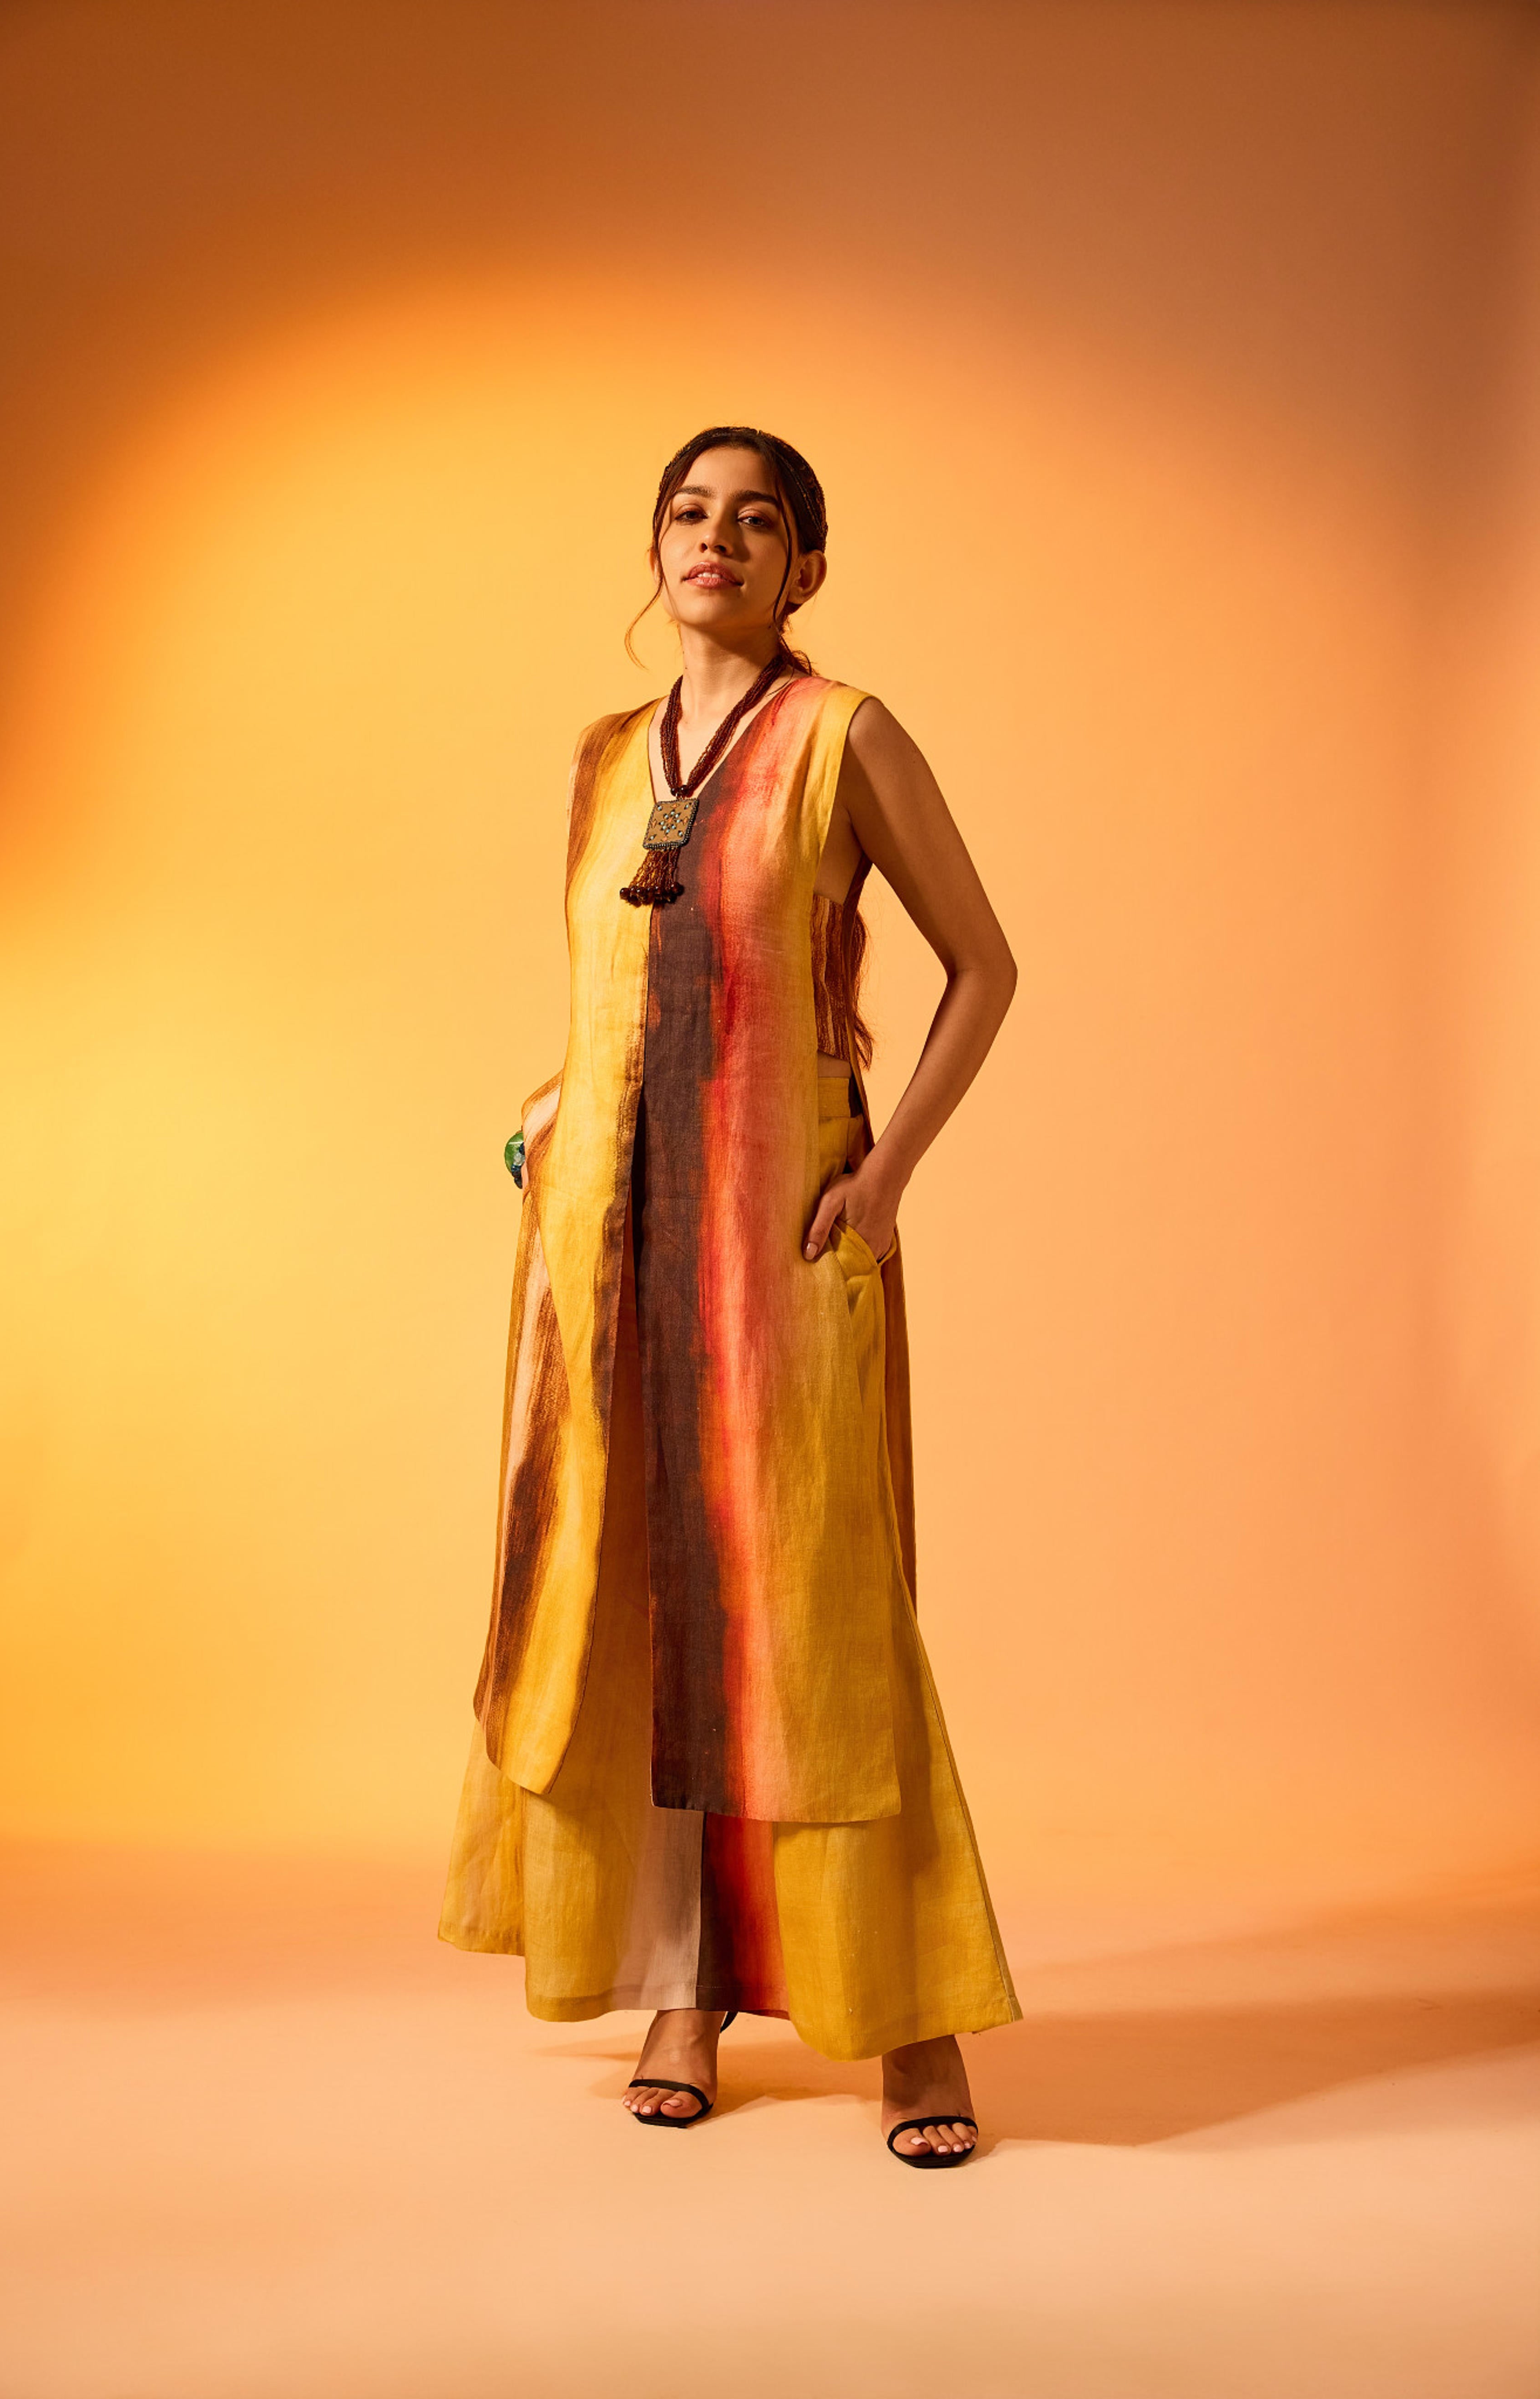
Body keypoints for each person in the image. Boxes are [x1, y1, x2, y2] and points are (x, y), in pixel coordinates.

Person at [440, 425, 1020, 2165]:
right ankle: (682, 1991)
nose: (718, 539)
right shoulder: (603, 755)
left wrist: (885, 1175)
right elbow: (608, 980)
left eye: (756, 521)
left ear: (801, 567)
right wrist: (552, 1108)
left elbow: (984, 965)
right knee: (631, 1604)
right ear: (656, 548)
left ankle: (911, 2022)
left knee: (817, 1618)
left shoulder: (848, 736)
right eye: (690, 513)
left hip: (782, 1240)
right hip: (602, 1248)